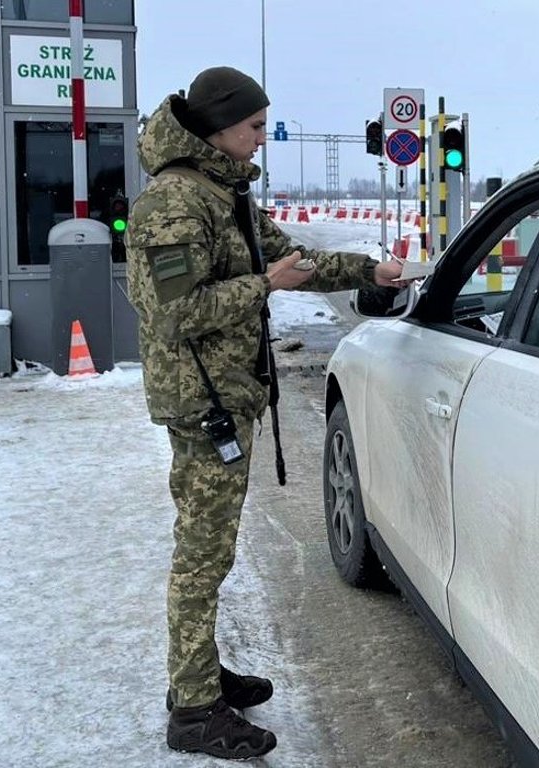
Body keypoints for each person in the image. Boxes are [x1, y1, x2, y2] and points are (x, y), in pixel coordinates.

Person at [125, 66, 407, 760]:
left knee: (207, 549)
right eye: (253, 127)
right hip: (202, 402)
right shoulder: (172, 203)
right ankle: (193, 711)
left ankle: (199, 673)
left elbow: (296, 259)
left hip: (224, 393)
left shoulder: (223, 194)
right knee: (202, 556)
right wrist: (263, 286)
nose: (260, 139)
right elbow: (173, 314)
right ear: (217, 127)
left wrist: (371, 271)